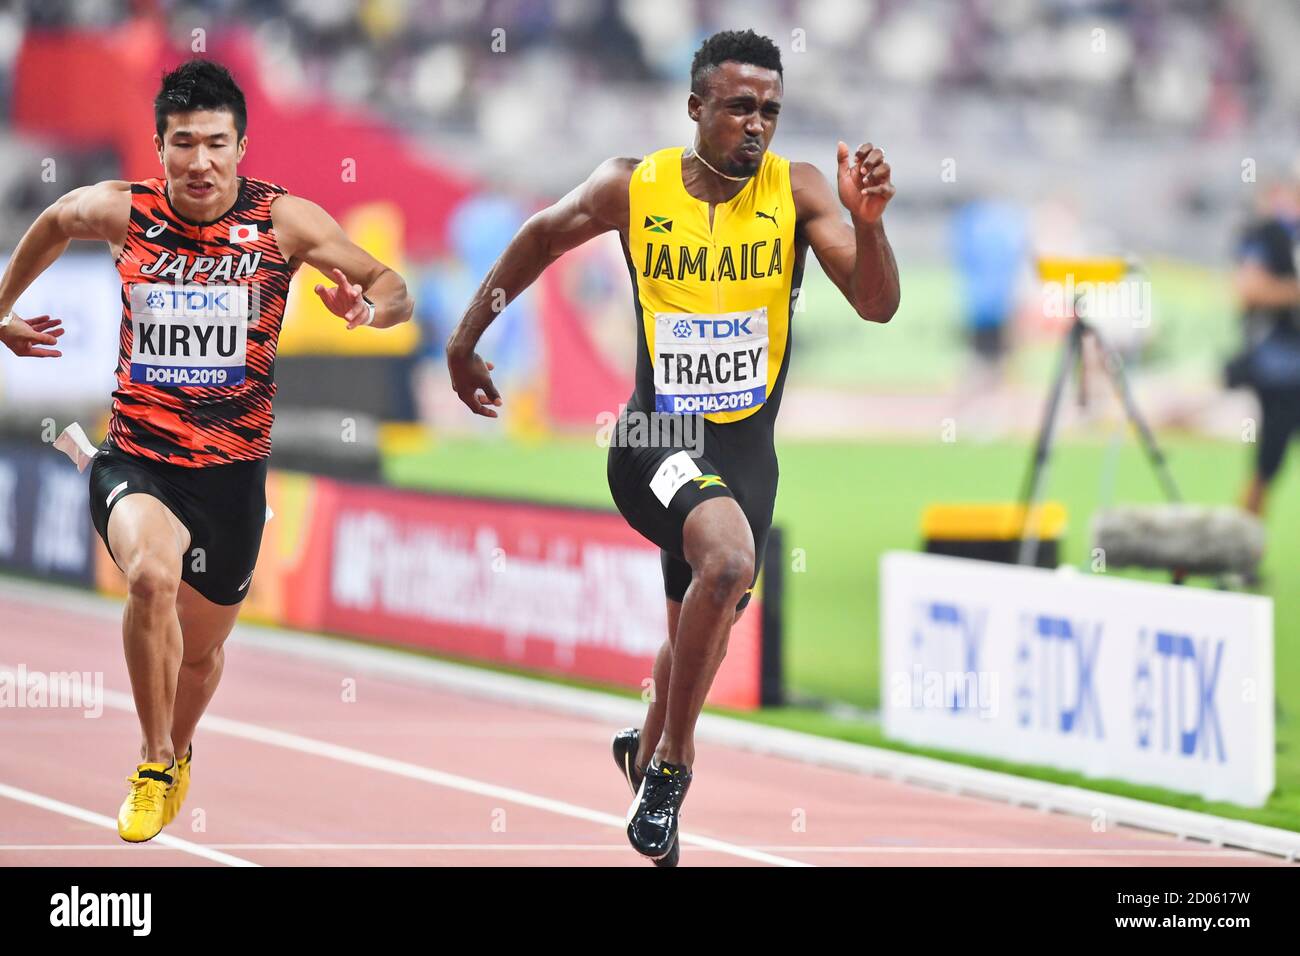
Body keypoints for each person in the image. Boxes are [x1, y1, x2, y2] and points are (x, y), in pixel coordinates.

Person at [446, 29, 899, 865]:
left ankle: (640, 741)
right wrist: (466, 339)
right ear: (696, 108)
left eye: (769, 109)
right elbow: (542, 237)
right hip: (655, 435)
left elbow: (876, 305)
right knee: (725, 563)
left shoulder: (798, 194)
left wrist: (870, 226)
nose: (756, 125)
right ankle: (671, 766)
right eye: (737, 107)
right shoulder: (634, 186)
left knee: (706, 625)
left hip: (746, 452)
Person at [0, 59, 412, 842]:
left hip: (231, 476)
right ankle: (154, 760)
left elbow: (394, 286)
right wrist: (1, 310)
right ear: (159, 150)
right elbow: (53, 220)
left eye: (216, 143)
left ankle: (180, 745)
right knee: (151, 579)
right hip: (138, 456)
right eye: (183, 143)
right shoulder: (125, 211)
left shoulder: (285, 222)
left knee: (199, 653)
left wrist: (368, 311)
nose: (200, 161)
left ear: (241, 146)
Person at [1230, 173, 1300, 518]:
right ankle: (1241, 554)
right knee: (1267, 462)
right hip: (1281, 369)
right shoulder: (1267, 234)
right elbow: (1250, 288)